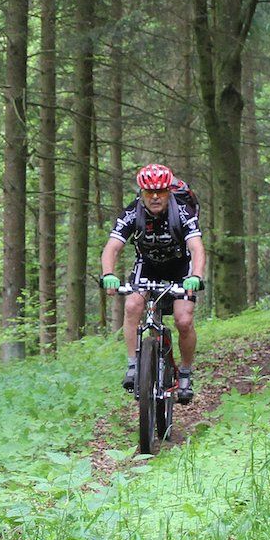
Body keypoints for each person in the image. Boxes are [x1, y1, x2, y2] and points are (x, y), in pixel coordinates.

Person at [100, 164, 206, 403]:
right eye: (149, 192)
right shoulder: (132, 213)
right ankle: (133, 365)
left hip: (181, 267)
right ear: (142, 192)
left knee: (184, 320)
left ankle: (185, 373)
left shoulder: (183, 212)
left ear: (169, 191)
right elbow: (112, 248)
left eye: (160, 191)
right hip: (148, 265)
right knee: (132, 307)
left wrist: (196, 276)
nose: (155, 197)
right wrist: (108, 273)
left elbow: (197, 248)